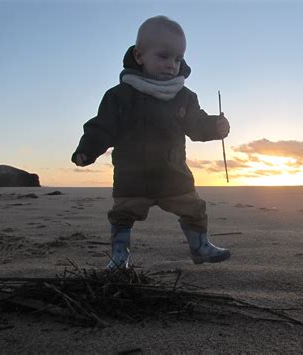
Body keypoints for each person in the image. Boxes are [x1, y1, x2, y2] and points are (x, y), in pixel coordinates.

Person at [72, 15, 231, 270]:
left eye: (178, 59)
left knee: (193, 208)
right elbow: (102, 126)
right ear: (139, 56)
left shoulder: (184, 97)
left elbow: (196, 124)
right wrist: (87, 149)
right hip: (132, 176)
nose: (172, 65)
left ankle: (200, 246)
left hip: (173, 174)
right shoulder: (119, 96)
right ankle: (119, 257)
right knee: (122, 215)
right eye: (164, 56)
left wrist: (215, 127)